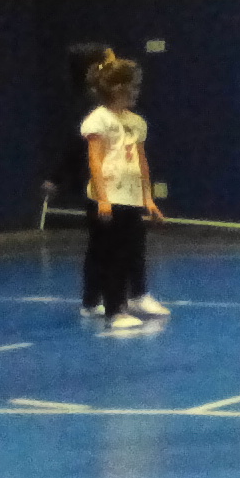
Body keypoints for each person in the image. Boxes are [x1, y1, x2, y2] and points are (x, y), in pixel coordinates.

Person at [82, 57, 169, 331]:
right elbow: (95, 160)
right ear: (118, 88)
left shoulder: (136, 122)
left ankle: (138, 296)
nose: (137, 92)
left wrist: (148, 198)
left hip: (131, 197)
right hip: (109, 198)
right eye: (133, 86)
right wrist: (103, 198)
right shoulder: (99, 120)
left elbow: (141, 161)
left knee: (134, 249)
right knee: (113, 255)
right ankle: (114, 310)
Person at [53, 40, 115, 316]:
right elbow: (74, 144)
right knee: (101, 241)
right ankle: (92, 299)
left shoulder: (106, 101)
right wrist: (55, 177)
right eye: (110, 62)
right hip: (95, 181)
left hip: (112, 178)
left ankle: (109, 294)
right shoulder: (90, 105)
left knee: (110, 240)